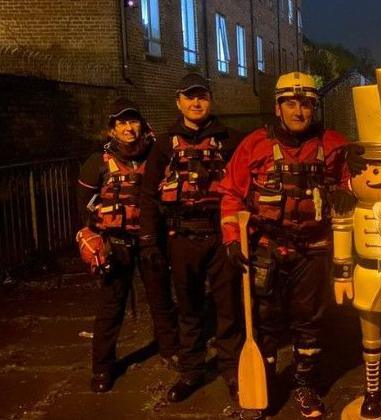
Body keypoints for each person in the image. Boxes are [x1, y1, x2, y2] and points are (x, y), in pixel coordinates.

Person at [219, 71, 349, 418]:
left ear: (314, 107)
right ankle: (266, 384)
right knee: (266, 319)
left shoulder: (334, 144)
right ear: (278, 108)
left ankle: (305, 385)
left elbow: (353, 185)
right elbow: (231, 194)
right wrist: (233, 240)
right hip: (268, 246)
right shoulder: (253, 145)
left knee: (309, 320)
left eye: (306, 104)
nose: (299, 111)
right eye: (291, 103)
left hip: (314, 247)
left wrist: (349, 192)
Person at [138, 73, 242, 403]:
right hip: (181, 235)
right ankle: (193, 369)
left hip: (220, 234)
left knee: (228, 306)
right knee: (189, 306)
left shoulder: (230, 140)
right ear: (179, 102)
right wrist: (149, 239)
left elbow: (245, 185)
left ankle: (231, 367)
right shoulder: (163, 144)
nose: (196, 103)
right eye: (190, 97)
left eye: (203, 97)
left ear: (211, 101)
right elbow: (148, 194)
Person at [76, 97, 179, 393]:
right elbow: (83, 205)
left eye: (133, 121)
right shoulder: (96, 163)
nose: (128, 128)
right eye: (121, 122)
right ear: (112, 129)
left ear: (142, 125)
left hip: (150, 241)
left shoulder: (156, 158)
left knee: (161, 300)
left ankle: (170, 349)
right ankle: (102, 368)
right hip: (115, 243)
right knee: (111, 307)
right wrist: (92, 235)